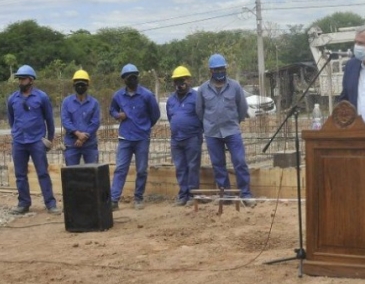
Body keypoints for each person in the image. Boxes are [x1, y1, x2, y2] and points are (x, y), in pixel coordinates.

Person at [195, 54, 256, 207]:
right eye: (216, 69)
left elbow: (242, 108)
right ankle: (226, 194)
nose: (219, 72)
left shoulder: (235, 86)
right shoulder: (203, 89)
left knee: (240, 162)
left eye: (222, 68)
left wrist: (235, 122)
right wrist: (208, 125)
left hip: (232, 131)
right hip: (212, 133)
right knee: (218, 164)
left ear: (225, 69)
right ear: (211, 71)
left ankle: (245, 194)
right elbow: (199, 111)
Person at [6, 65, 61, 215]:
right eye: (19, 79)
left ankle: (50, 204)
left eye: (23, 79)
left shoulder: (41, 97)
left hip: (37, 141)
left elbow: (49, 120)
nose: (20, 81)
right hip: (19, 142)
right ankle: (23, 203)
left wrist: (48, 140)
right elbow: (12, 119)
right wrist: (16, 133)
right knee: (20, 174)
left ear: (31, 80)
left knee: (43, 172)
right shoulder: (12, 99)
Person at [109, 64, 161, 210]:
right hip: (125, 137)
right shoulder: (118, 96)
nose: (132, 79)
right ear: (124, 79)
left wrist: (145, 126)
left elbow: (155, 114)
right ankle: (114, 199)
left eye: (134, 76)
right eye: (128, 77)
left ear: (137, 77)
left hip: (142, 138)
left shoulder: (147, 95)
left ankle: (138, 198)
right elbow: (112, 109)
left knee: (142, 169)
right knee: (120, 168)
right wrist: (118, 115)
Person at [166, 66, 203, 207]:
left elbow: (201, 116)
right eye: (176, 81)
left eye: (182, 80)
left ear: (188, 80)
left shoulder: (196, 97)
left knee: (193, 166)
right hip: (176, 139)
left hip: (192, 138)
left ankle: (193, 195)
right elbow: (171, 117)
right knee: (180, 167)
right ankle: (183, 195)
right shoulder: (171, 100)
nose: (179, 84)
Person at [61, 69, 101, 165]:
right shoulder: (67, 102)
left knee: (93, 174)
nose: (80, 86)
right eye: (77, 84)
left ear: (87, 85)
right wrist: (78, 134)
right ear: (73, 85)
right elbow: (65, 121)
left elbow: (95, 122)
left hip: (90, 144)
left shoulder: (94, 103)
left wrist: (83, 137)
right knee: (71, 174)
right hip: (71, 144)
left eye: (83, 84)